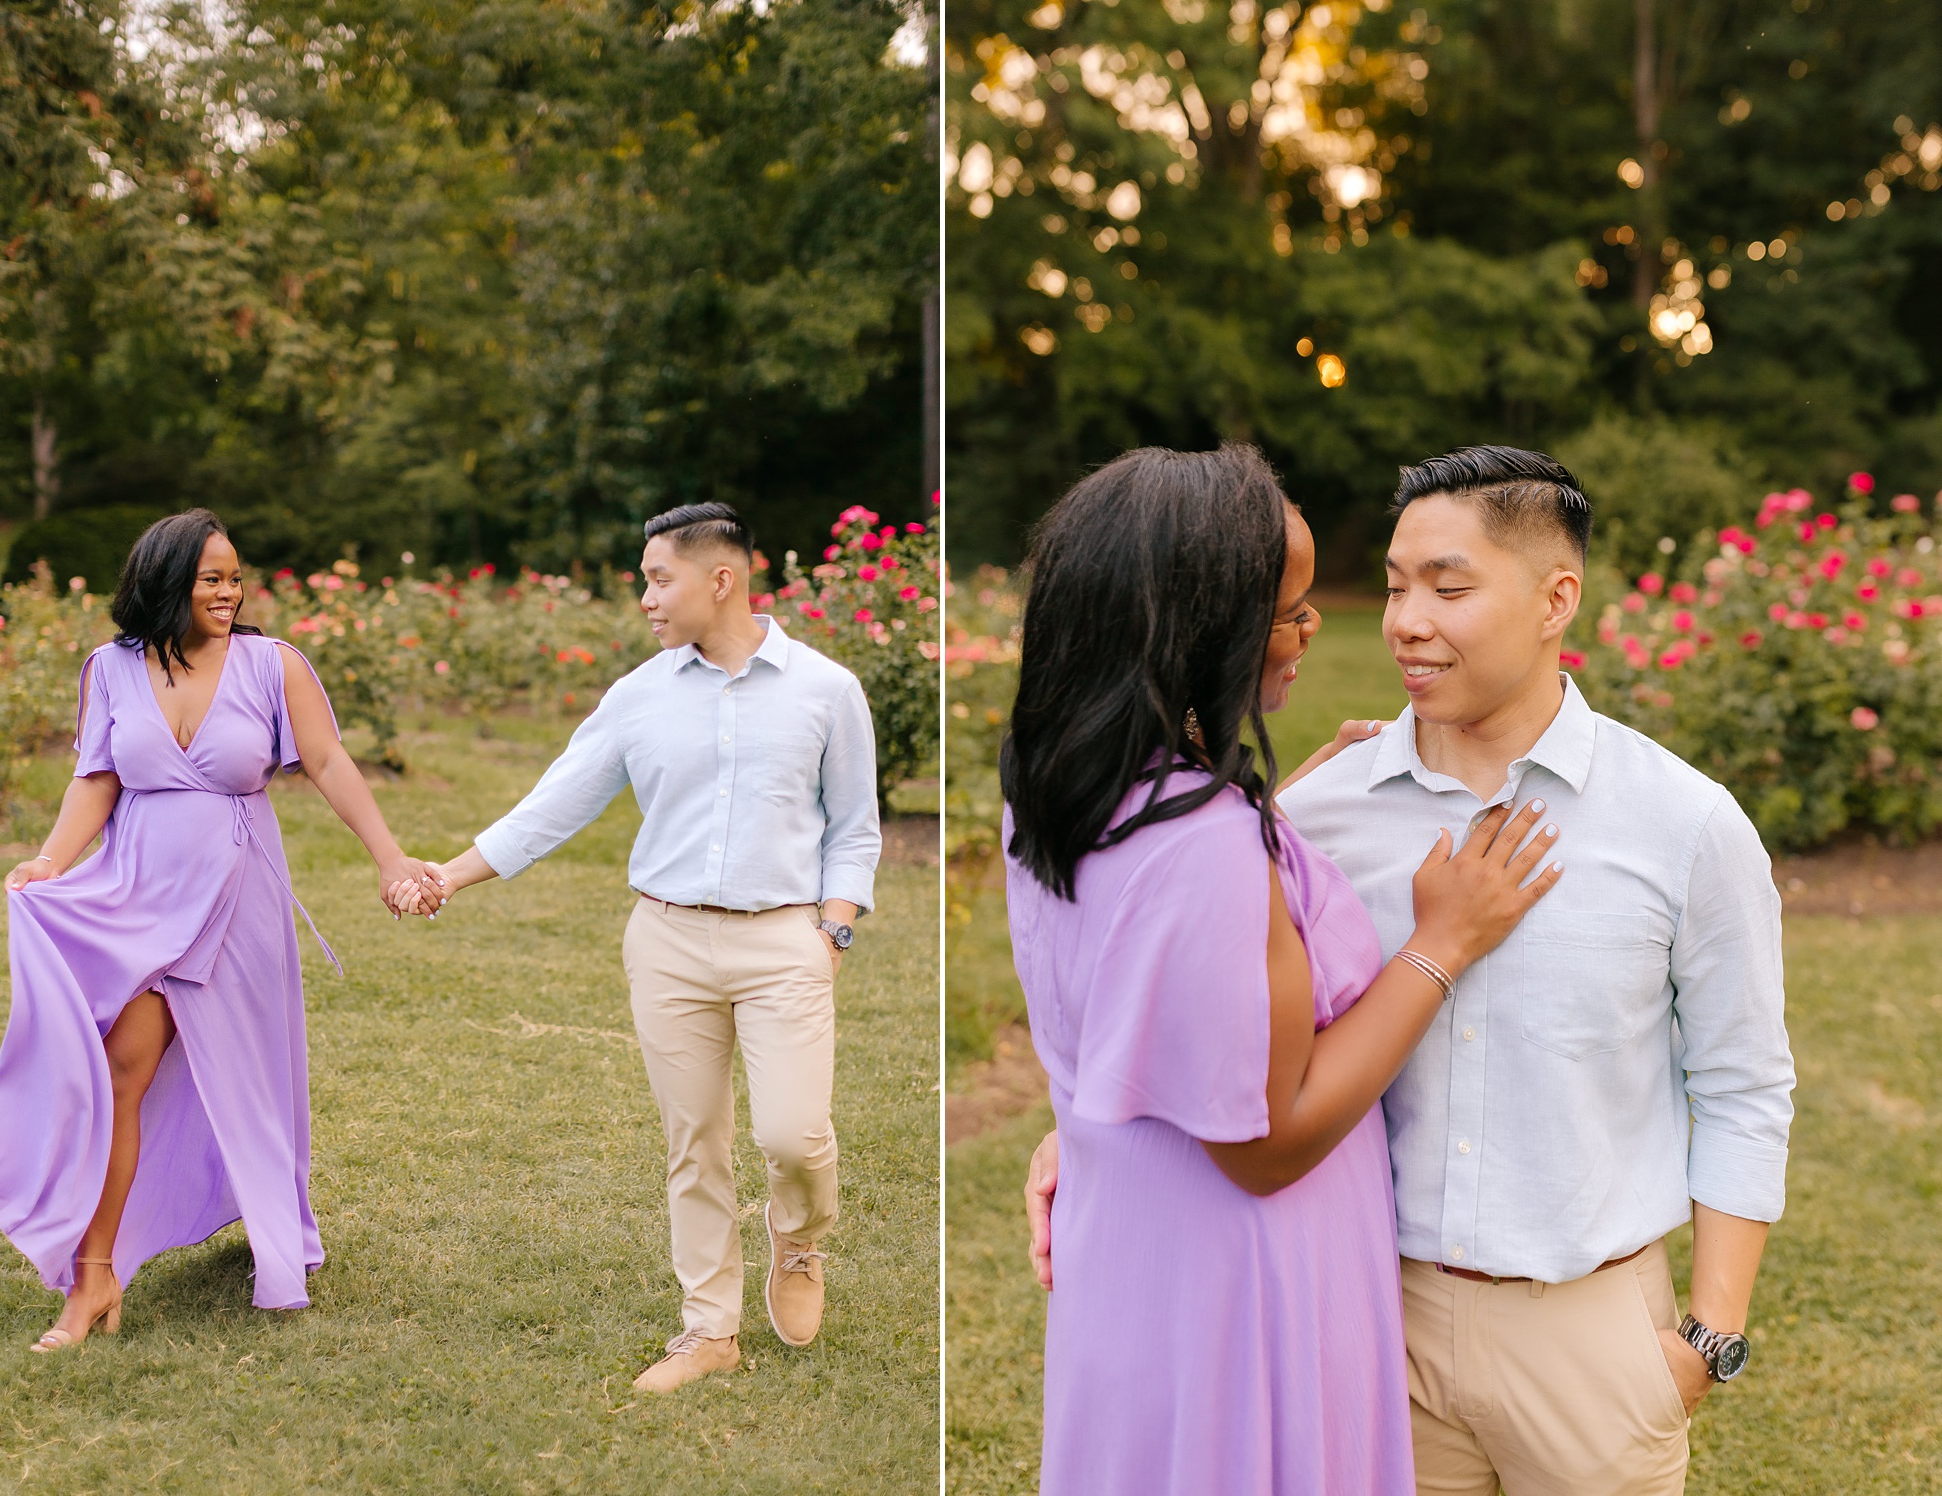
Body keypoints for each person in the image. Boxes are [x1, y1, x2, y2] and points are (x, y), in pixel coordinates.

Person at [1028, 446, 1796, 1496]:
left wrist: (1707, 1334)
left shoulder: (1683, 822)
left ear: (1552, 597)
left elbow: (1743, 1081)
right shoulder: (1307, 814)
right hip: (1363, 1322)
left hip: (1591, 1338)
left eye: (1447, 585)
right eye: (1391, 586)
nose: (1401, 619)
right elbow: (1203, 1015)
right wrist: (1069, 1134)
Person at [1000, 446, 1563, 1495]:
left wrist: (1273, 820)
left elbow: (1146, 970)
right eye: (1289, 609)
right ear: (1197, 625)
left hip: (1128, 1248)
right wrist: (1437, 944)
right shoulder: (1205, 845)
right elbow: (1266, 1140)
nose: (1314, 630)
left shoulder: (1059, 789)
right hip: (1241, 1272)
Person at [403, 501, 881, 1394]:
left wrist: (834, 930)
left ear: (722, 580)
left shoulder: (826, 690)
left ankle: (800, 1238)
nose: (647, 600)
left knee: (794, 1136)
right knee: (694, 1141)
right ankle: (709, 1331)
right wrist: (449, 875)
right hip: (665, 940)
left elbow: (855, 828)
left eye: (660, 580)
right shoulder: (638, 695)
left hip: (786, 941)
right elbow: (554, 804)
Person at [0, 509, 442, 1351]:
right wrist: (49, 860)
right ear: (165, 579)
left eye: (234, 577)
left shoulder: (271, 664)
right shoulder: (110, 669)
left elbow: (327, 761)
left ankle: (257, 1224)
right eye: (210, 577)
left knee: (233, 1075)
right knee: (119, 1069)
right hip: (137, 890)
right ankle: (94, 1275)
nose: (228, 591)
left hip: (235, 898)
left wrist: (390, 858)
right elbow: (95, 778)